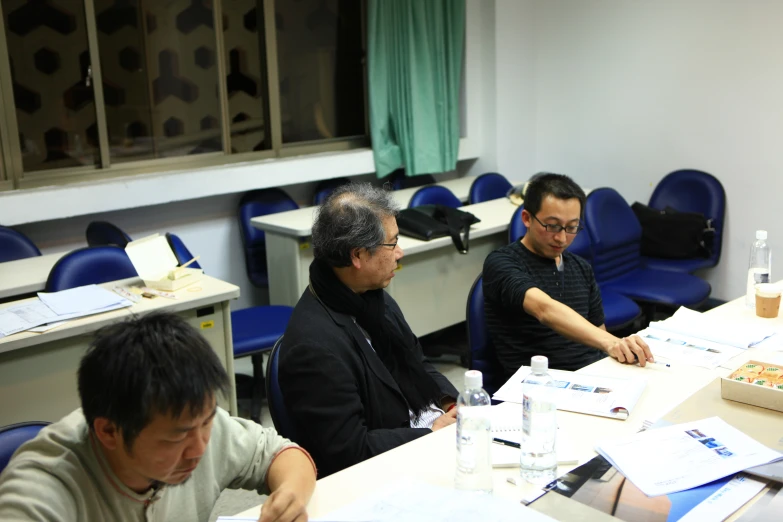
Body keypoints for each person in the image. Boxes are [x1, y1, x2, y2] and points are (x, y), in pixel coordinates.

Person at [0, 313, 316, 522]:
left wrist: (290, 494)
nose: (199, 448)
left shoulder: (194, 422)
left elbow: (282, 454)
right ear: (109, 432)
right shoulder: (47, 485)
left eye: (206, 422)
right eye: (175, 438)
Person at [280, 182, 459, 477]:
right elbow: (349, 450)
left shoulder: (372, 297)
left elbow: (418, 362)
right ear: (358, 256)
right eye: (392, 243)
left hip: (420, 436)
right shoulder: (313, 347)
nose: (400, 253)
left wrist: (450, 402)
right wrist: (431, 433)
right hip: (379, 473)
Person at [483, 173, 653, 375]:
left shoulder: (580, 267)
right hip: (540, 383)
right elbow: (544, 309)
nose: (562, 238)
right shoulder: (502, 263)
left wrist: (623, 350)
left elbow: (598, 333)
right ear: (527, 219)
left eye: (572, 227)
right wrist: (613, 342)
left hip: (591, 375)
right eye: (553, 226)